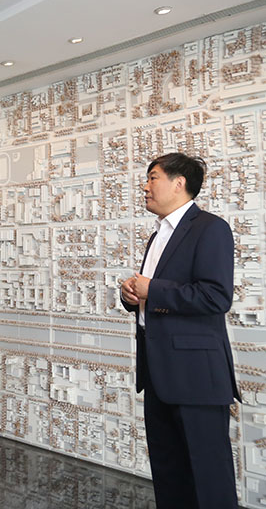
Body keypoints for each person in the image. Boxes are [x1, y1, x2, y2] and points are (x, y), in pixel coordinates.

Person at [120, 153, 239, 509]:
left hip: (196, 376)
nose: (145, 186)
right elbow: (155, 296)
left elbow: (216, 296)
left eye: (152, 177)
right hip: (157, 373)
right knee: (169, 472)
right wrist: (130, 296)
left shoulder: (211, 228)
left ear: (179, 183)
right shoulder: (158, 235)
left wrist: (151, 289)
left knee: (208, 476)